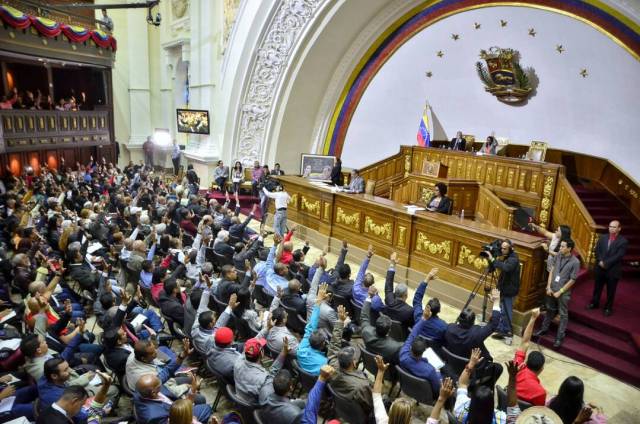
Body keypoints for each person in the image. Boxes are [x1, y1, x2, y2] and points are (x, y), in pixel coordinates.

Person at [374, 354, 455, 424]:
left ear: (390, 412)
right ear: (409, 419)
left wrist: (380, 371)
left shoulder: (382, 421)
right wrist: (442, 398)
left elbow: (376, 395)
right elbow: (432, 420)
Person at [535, 239, 580, 348]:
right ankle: (544, 329)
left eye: (563, 247)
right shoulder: (558, 255)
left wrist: (560, 292)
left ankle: (559, 337)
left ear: (569, 248)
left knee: (563, 315)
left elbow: (572, 280)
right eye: (560, 246)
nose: (560, 248)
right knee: (549, 309)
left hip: (563, 292)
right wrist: (548, 286)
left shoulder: (575, 262)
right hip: (552, 288)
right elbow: (552, 270)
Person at [588, 220, 628, 316]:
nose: (611, 228)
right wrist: (601, 261)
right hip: (600, 268)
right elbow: (597, 250)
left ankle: (608, 307)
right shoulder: (602, 237)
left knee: (611, 290)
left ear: (619, 229)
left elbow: (619, 256)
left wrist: (605, 263)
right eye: (610, 226)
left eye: (614, 227)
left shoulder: (623, 241)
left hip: (613, 270)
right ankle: (594, 303)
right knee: (597, 287)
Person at [399, 305, 442, 393]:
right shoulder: (430, 370)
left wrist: (423, 318)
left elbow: (413, 334)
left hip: (406, 385)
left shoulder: (403, 353)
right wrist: (437, 372)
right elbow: (437, 389)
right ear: (423, 352)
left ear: (411, 348)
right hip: (422, 393)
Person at [486, 239, 521, 343]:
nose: (502, 250)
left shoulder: (513, 259)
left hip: (509, 290)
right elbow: (495, 267)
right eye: (502, 248)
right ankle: (501, 329)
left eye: (505, 249)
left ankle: (508, 331)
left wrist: (493, 259)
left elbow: (506, 268)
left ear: (511, 249)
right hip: (503, 287)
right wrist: (491, 260)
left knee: (506, 311)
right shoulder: (506, 257)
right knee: (501, 309)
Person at [361, 286, 403, 364]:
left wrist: (369, 297)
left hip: (370, 363)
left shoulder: (366, 331)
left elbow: (364, 316)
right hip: (384, 368)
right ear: (389, 330)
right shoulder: (395, 346)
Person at [514, 308, 547, 406]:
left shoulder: (516, 367)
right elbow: (537, 412)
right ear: (541, 369)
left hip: (507, 409)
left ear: (526, 362)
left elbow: (524, 342)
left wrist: (533, 318)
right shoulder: (540, 392)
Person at [412, 268, 447, 342]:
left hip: (415, 347)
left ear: (427, 308)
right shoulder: (443, 326)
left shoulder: (419, 316)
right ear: (439, 311)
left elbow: (417, 299)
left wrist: (427, 279)